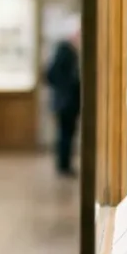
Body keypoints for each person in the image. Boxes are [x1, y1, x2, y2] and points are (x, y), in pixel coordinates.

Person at [45, 19, 81, 177]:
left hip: (68, 101)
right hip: (65, 102)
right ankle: (63, 165)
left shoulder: (69, 51)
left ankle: (64, 164)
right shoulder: (65, 51)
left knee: (67, 133)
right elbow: (51, 75)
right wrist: (69, 86)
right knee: (65, 134)